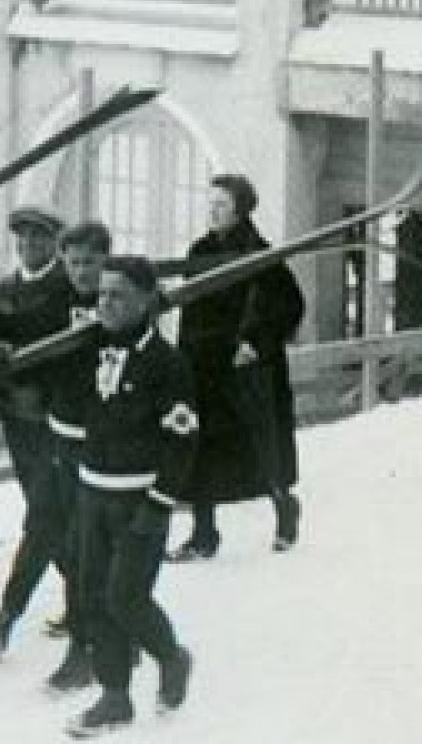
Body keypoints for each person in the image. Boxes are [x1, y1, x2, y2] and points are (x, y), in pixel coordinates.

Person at [60, 256, 198, 739]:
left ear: (146, 300)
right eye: (101, 295)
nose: (106, 305)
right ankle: (115, 695)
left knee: (126, 598)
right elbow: (58, 389)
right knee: (94, 598)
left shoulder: (168, 363)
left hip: (140, 502)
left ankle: (172, 657)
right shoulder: (90, 349)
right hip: (92, 493)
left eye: (118, 295)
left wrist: (158, 504)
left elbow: (183, 441)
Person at [171, 174, 306, 561]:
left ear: (241, 211)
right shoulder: (198, 250)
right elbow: (191, 311)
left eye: (221, 206)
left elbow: (289, 308)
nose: (212, 212)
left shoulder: (261, 254)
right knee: (202, 448)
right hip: (203, 365)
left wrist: (256, 344)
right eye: (209, 204)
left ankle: (284, 507)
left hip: (246, 368)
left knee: (261, 447)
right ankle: (203, 534)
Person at [0, 205, 73, 658]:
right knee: (48, 513)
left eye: (38, 238)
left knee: (44, 517)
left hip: (55, 417)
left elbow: (33, 335)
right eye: (22, 238)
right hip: (20, 419)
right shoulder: (9, 287)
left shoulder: (66, 287)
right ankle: (84, 602)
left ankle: (6, 618)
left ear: (55, 243)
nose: (29, 246)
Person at [28, 219, 112, 698]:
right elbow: (19, 329)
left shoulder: (117, 303)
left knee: (92, 549)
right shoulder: (56, 302)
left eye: (91, 263)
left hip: (105, 446)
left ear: (105, 260)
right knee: (70, 541)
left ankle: (90, 649)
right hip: (64, 438)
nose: (82, 272)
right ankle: (94, 643)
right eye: (74, 263)